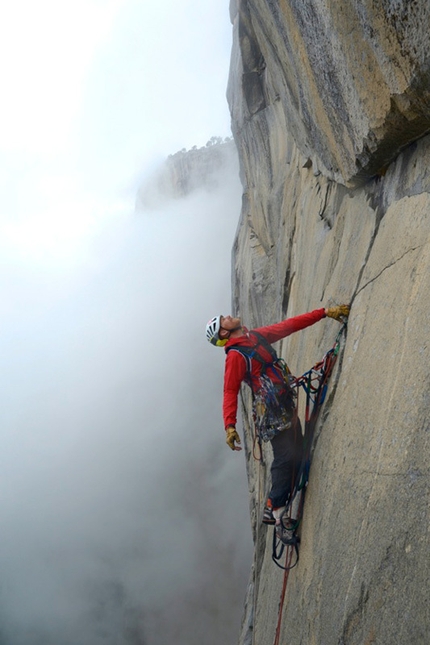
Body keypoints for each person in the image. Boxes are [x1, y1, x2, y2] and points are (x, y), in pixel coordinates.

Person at [205, 305, 349, 543]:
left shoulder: (255, 337)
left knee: (298, 450)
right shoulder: (235, 357)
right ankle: (278, 516)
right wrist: (229, 426)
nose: (228, 316)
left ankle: (275, 503)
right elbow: (229, 391)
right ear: (223, 333)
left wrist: (324, 313)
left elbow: (290, 325)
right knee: (286, 457)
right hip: (271, 410)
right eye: (224, 320)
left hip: (283, 401)